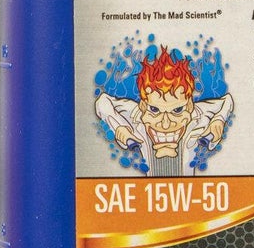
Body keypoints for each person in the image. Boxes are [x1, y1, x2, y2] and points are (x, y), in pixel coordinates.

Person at [95, 48, 232, 175]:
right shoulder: (135, 115)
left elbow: (227, 101)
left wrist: (218, 120)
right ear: (143, 106)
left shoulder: (198, 114)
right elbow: (102, 101)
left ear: (189, 106)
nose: (165, 125)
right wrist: (119, 127)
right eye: (154, 110)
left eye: (177, 110)